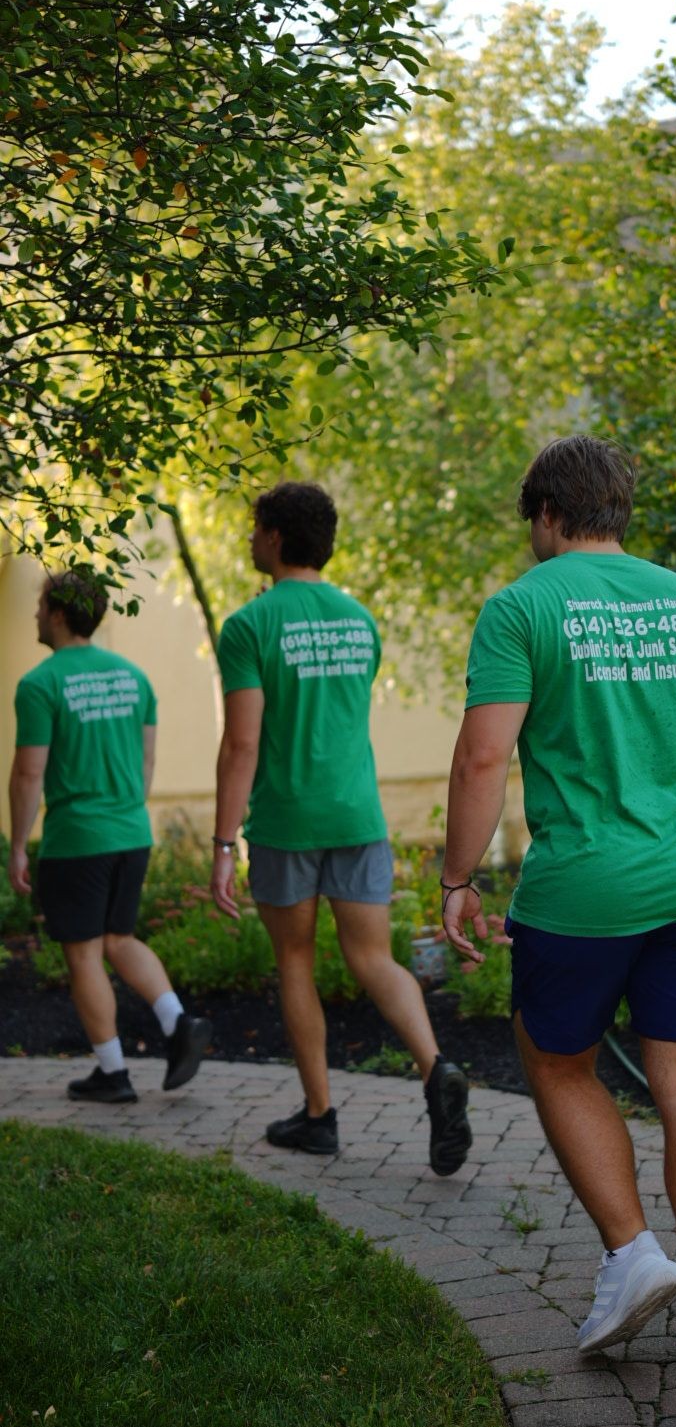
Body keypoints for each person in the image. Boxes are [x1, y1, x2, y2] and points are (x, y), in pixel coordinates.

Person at [442, 434, 676, 1358]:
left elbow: (484, 754)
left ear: (545, 514)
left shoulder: (520, 607)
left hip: (582, 891)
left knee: (555, 1057)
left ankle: (632, 1254)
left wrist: (457, 878)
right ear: (620, 508)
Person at [211, 480, 471, 1171]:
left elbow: (241, 744)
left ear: (274, 536)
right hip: (359, 815)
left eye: (253, 527)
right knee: (373, 959)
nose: (248, 539)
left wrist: (220, 842)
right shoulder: (360, 621)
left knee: (295, 960)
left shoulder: (249, 626)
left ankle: (321, 1116)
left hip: (286, 823)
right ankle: (436, 1066)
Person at [8, 572, 212, 1102]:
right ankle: (177, 1021)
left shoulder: (40, 684)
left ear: (56, 613)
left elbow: (29, 773)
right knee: (119, 939)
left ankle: (114, 1073)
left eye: (39, 607)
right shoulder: (134, 678)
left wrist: (17, 845)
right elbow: (146, 762)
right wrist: (126, 809)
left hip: (78, 838)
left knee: (83, 953)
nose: (34, 616)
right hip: (130, 831)